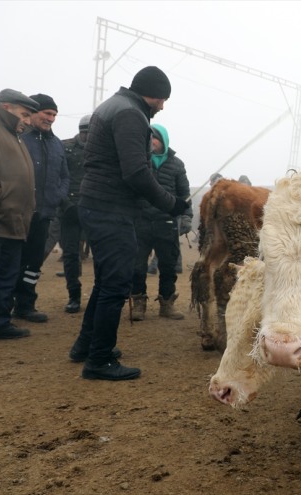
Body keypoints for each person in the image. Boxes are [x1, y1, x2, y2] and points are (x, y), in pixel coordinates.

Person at [68, 66, 189, 381]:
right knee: (116, 284)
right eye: (162, 99)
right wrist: (170, 203)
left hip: (98, 205)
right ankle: (99, 359)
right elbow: (136, 172)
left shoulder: (113, 106)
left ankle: (86, 345)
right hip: (111, 208)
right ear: (152, 93)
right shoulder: (130, 114)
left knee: (106, 280)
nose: (162, 106)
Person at [13, 94, 69, 323]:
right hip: (17, 213)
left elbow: (64, 175)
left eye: (54, 114)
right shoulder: (17, 138)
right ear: (33, 113)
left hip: (44, 214)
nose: (51, 118)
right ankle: (2, 306)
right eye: (47, 113)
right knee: (11, 261)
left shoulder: (56, 144)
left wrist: (58, 196)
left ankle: (26, 305)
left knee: (33, 263)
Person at [0, 89, 38, 340]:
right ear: (6, 108)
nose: (28, 121)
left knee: (5, 278)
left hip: (14, 222)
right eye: (25, 114)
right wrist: (0, 197)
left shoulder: (14, 136)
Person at [130, 123, 192, 321]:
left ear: (163, 140)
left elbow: (184, 194)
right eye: (148, 138)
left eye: (154, 138)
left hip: (166, 222)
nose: (150, 142)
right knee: (137, 266)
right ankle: (139, 303)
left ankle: (167, 303)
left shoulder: (177, 164)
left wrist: (187, 217)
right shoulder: (139, 162)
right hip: (141, 222)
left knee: (168, 265)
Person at [58, 114, 92, 313]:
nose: (88, 136)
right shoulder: (65, 147)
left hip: (94, 208)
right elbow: (58, 177)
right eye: (86, 132)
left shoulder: (104, 148)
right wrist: (66, 205)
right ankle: (74, 295)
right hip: (69, 209)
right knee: (71, 255)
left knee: (102, 256)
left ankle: (99, 295)